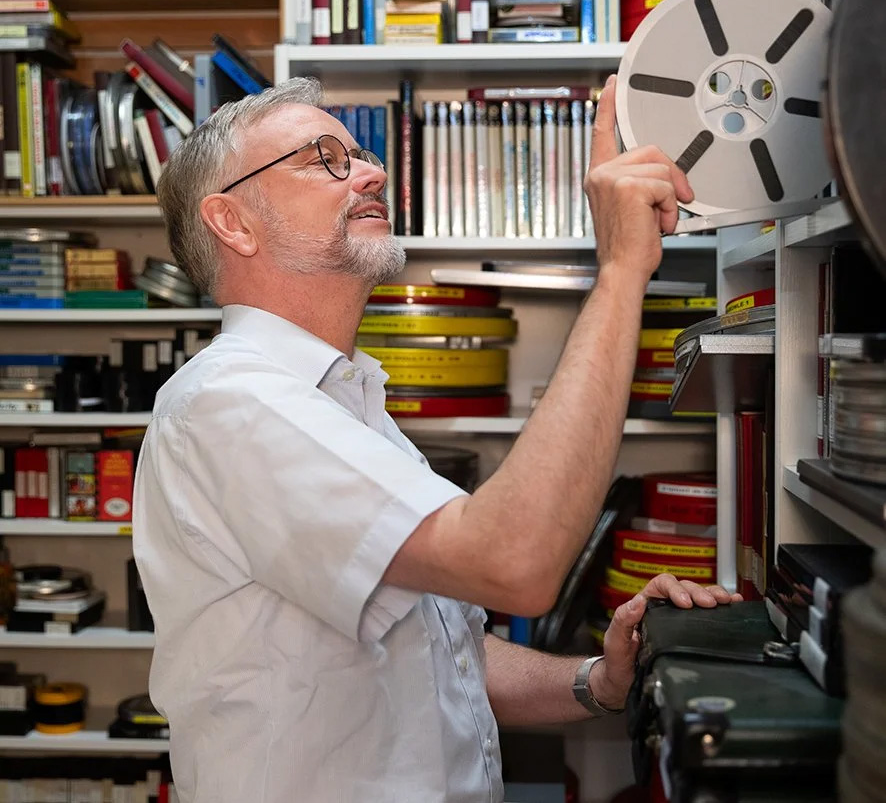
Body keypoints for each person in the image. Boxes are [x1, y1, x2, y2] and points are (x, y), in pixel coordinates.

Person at [133, 74, 740, 803]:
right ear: (233, 222)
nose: (373, 174)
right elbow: (514, 561)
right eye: (325, 158)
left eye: (362, 155)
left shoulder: (348, 401)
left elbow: (438, 649)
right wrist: (619, 270)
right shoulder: (230, 402)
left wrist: (598, 681)